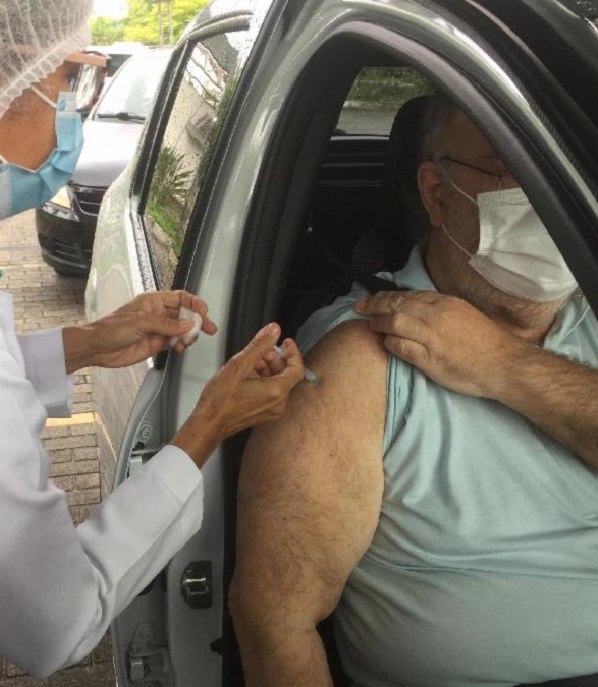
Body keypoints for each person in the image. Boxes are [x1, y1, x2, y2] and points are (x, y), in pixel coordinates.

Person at [0, 2, 305, 685]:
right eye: (68, 81)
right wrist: (210, 422)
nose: (75, 111)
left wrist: (85, 344)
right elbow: (55, 619)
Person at [229, 92, 598, 687]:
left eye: (568, 169)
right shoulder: (363, 352)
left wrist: (501, 364)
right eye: (517, 171)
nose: (552, 197)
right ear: (437, 194)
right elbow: (275, 621)